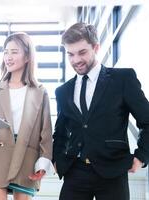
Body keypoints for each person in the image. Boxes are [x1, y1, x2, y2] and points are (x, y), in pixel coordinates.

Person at [52, 22, 149, 200]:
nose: (75, 60)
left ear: (96, 47)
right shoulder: (63, 91)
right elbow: (61, 132)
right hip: (75, 172)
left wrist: (142, 156)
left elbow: (147, 120)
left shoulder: (123, 79)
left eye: (82, 52)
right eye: (70, 54)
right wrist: (57, 159)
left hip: (113, 171)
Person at [0, 32, 53, 200]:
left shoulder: (40, 92)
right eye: (5, 52)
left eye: (14, 52)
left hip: (27, 158)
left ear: (27, 57)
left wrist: (44, 160)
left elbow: (46, 132)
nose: (8, 57)